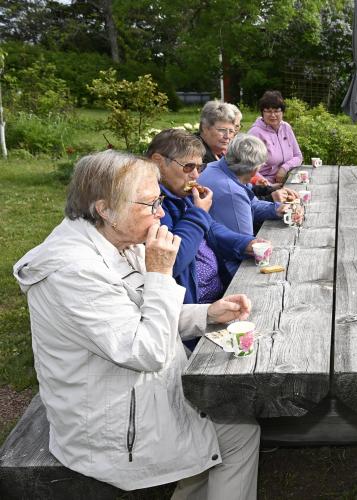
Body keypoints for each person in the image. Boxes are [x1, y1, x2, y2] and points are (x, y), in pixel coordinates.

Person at [13, 150, 261, 497]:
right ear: (104, 208)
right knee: (234, 436)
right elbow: (147, 351)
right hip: (111, 427)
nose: (160, 213)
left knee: (234, 432)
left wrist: (207, 314)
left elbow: (144, 317)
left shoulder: (115, 240)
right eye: (149, 204)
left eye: (159, 201)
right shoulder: (73, 272)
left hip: (134, 397)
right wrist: (160, 274)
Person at [145, 129, 260, 308]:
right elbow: (172, 260)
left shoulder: (182, 195)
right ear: (158, 163)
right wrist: (199, 214)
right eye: (188, 167)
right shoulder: (152, 204)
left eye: (200, 168)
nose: (196, 175)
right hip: (193, 311)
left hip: (218, 293)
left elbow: (211, 228)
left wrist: (246, 243)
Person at [200, 134, 303, 275]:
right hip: (224, 269)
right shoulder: (231, 192)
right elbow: (248, 247)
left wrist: (277, 209)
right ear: (254, 170)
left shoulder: (220, 168)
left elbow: (251, 204)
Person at [248, 90, 303, 184]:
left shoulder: (286, 128)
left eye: (276, 111)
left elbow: (298, 156)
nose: (273, 115)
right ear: (262, 113)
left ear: (282, 112)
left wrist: (284, 168)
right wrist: (268, 185)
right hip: (264, 185)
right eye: (268, 111)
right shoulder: (255, 133)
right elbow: (248, 167)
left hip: (288, 178)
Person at [197, 100, 240, 166]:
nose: (227, 136)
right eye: (222, 130)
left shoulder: (219, 151)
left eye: (231, 131)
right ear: (205, 128)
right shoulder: (196, 156)